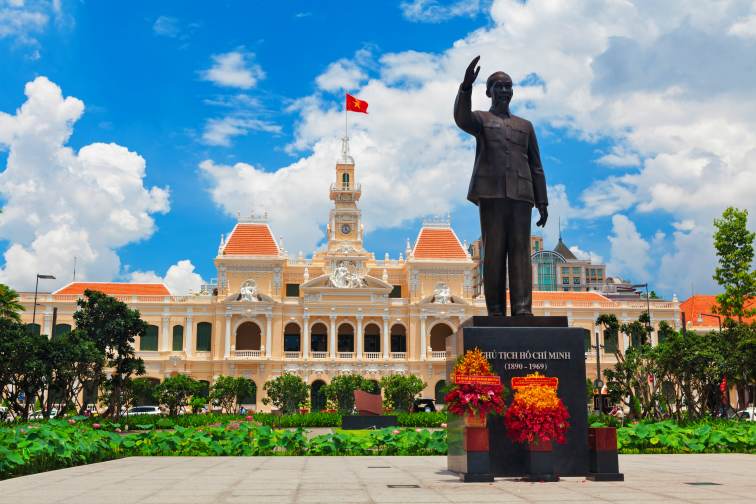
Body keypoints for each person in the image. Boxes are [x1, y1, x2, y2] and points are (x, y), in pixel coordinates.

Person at [454, 55, 548, 316]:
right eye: (499, 86)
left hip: (522, 194)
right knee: (493, 251)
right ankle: (495, 310)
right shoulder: (481, 119)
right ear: (489, 91)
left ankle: (522, 309)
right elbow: (462, 119)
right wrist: (465, 87)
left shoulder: (525, 126)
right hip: (491, 193)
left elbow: (536, 165)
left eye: (508, 86)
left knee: (520, 252)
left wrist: (543, 201)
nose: (504, 90)